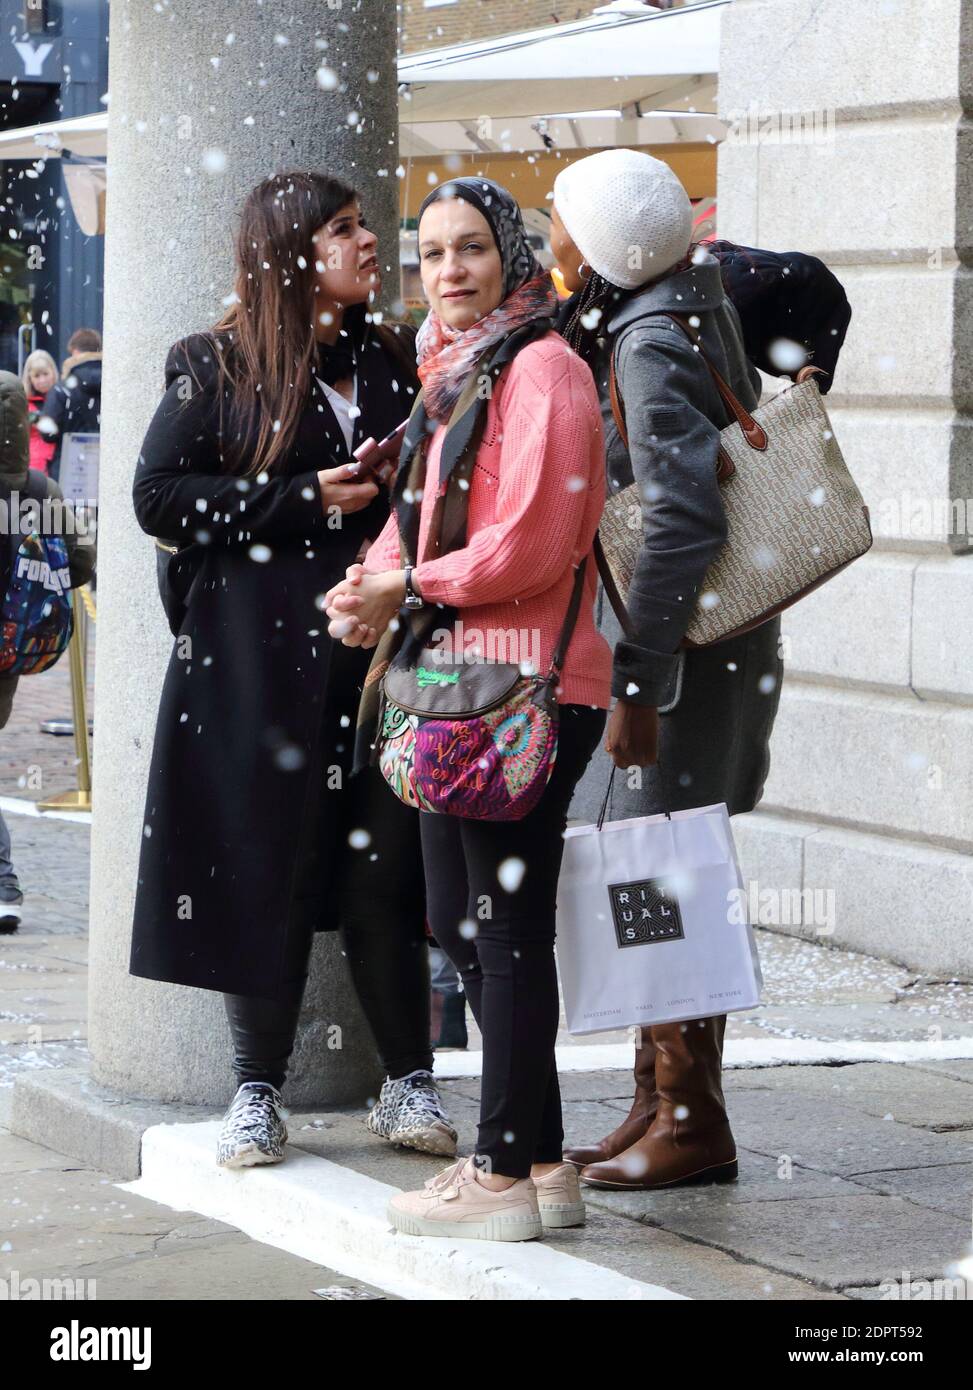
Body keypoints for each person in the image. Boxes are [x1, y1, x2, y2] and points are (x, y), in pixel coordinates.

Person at [130, 171, 458, 1169]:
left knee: (384, 867)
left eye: (365, 227)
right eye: (346, 230)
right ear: (290, 252)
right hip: (253, 674)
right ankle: (256, 1091)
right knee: (259, 868)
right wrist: (299, 500)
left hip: (384, 667)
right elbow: (157, 496)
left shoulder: (395, 359)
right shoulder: (212, 364)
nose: (371, 244)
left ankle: (407, 1082)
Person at [325, 177, 612, 1242]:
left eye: (471, 249)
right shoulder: (455, 370)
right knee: (461, 919)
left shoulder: (544, 368)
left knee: (505, 929)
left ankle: (496, 1177)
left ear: (513, 255)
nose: (448, 271)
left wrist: (410, 586)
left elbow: (535, 542)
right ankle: (541, 1160)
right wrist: (367, 585)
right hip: (463, 676)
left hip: (531, 678)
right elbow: (420, 514)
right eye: (432, 252)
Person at [549, 148, 784, 1190]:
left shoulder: (644, 337)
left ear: (600, 242)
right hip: (715, 643)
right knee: (657, 870)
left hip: (677, 656)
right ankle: (656, 1098)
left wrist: (637, 686)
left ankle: (690, 1120)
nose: (547, 231)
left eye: (558, 216)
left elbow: (683, 516)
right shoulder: (689, 298)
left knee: (661, 877)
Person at [0, 370, 97, 931]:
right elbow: (80, 565)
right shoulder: (40, 489)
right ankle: (5, 889)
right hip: (12, 649)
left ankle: (5, 883)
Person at [38, 329, 103, 484]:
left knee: (65, 509)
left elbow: (48, 434)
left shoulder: (62, 389)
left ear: (74, 352)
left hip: (69, 471)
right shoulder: (114, 386)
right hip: (104, 468)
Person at [22, 351, 59, 476]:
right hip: (34, 465)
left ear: (53, 373)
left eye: (45, 374)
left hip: (59, 460)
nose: (42, 380)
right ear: (29, 379)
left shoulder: (63, 398)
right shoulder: (23, 403)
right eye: (37, 376)